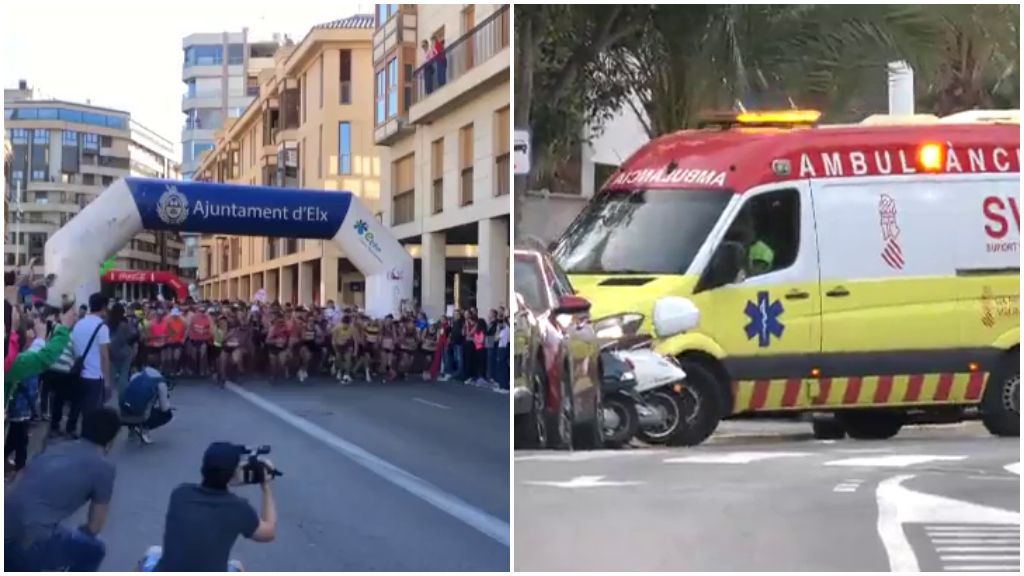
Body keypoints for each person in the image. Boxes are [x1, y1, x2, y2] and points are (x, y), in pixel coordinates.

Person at [4, 408, 121, 572]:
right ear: (112, 439)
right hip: (34, 539)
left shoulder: (53, 447)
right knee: (95, 549)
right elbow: (95, 527)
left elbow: (15, 484)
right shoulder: (104, 467)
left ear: (82, 427)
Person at [141, 442, 277, 572]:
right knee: (237, 566)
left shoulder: (180, 494)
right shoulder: (239, 508)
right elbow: (269, 533)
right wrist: (265, 487)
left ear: (203, 468)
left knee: (152, 551)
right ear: (234, 474)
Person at [69, 293, 113, 436]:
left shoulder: (78, 324)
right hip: (95, 376)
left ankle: (77, 431)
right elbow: (104, 356)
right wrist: (107, 381)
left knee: (80, 407)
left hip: (78, 374)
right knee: (93, 411)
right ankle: (89, 438)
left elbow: (73, 348)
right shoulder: (102, 327)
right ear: (104, 307)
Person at [120, 364, 173, 445]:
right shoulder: (160, 382)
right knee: (167, 414)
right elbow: (165, 408)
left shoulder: (136, 376)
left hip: (123, 413)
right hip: (140, 415)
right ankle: (144, 428)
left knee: (134, 403)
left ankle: (132, 429)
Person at [107, 303, 137, 400]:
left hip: (110, 352)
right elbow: (131, 336)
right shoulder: (124, 325)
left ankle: (111, 397)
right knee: (123, 375)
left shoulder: (106, 324)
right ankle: (122, 397)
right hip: (124, 353)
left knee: (112, 375)